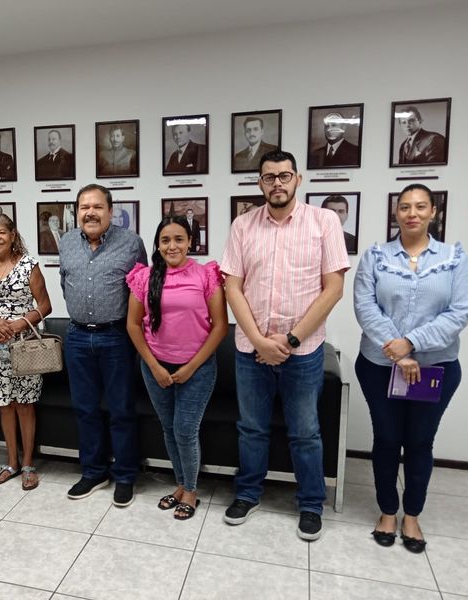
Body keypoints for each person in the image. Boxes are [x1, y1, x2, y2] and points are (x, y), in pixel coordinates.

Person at [220, 150, 349, 541]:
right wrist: (260, 339)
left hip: (303, 351)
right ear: (259, 182)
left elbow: (334, 288)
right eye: (269, 177)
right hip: (250, 349)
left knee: (306, 431)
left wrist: (290, 340)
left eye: (284, 176)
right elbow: (232, 287)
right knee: (252, 428)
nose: (277, 183)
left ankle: (310, 504)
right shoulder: (243, 225)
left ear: (299, 179)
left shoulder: (324, 221)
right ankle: (248, 493)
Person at [353, 183, 468, 553]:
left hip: (434, 369)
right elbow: (365, 306)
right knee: (387, 439)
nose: (412, 213)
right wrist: (398, 353)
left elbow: (460, 312)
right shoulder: (376, 256)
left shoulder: (454, 258)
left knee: (420, 442)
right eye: (405, 206)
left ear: (433, 212)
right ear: (396, 213)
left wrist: (413, 344)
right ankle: (388, 511)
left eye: (421, 207)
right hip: (380, 366)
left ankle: (412, 515)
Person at [126, 217, 227, 520]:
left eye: (179, 239)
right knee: (169, 429)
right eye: (166, 240)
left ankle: (192, 491)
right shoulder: (144, 277)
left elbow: (220, 327)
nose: (172, 246)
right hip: (155, 367)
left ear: (191, 242)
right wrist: (154, 366)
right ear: (157, 244)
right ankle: (180, 485)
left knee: (185, 429)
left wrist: (191, 367)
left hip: (197, 368)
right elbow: (132, 325)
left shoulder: (206, 275)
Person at [59, 183, 147, 506]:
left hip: (116, 337)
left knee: (122, 410)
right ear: (77, 212)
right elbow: (65, 285)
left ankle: (125, 475)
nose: (90, 213)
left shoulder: (131, 244)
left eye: (97, 207)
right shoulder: (67, 242)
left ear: (111, 211)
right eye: (84, 207)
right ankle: (94, 471)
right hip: (78, 336)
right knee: (85, 409)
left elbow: (142, 289)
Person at [0, 214, 52, 490]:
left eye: (2, 232)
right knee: (5, 406)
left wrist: (17, 324)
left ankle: (28, 464)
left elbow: (45, 305)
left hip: (23, 346)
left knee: (25, 405)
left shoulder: (29, 265)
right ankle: (11, 463)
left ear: (13, 235)